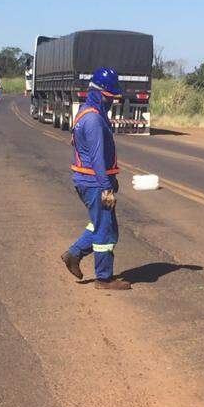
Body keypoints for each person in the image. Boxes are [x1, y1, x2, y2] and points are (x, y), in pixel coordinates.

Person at [61, 67, 130, 291]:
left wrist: (111, 179)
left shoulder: (85, 112)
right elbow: (98, 157)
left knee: (103, 224)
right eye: (110, 98)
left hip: (90, 180)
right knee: (105, 231)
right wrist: (106, 187)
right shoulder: (93, 120)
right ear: (101, 94)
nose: (112, 102)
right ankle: (104, 278)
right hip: (93, 183)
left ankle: (74, 254)